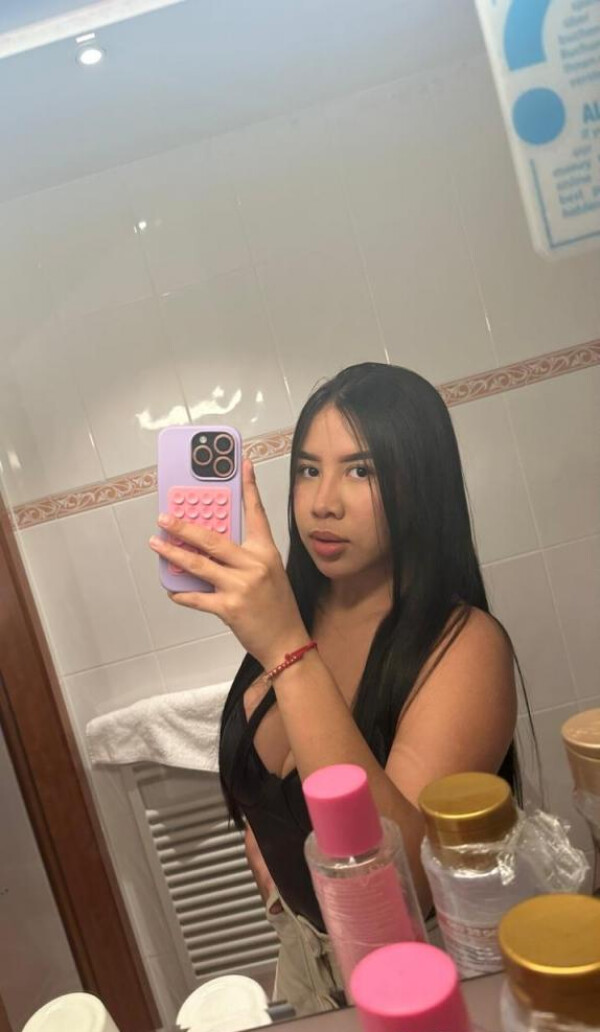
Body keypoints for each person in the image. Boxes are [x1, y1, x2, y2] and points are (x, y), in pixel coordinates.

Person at [149, 363, 520, 1014]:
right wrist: (281, 893)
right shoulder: (296, 611)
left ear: (420, 483)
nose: (322, 502)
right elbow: (269, 791)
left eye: (360, 470)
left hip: (424, 975)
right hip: (306, 966)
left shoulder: (465, 645)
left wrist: (286, 651)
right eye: (308, 469)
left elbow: (402, 883)